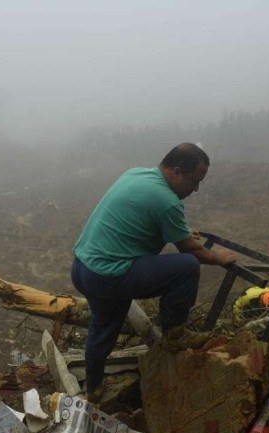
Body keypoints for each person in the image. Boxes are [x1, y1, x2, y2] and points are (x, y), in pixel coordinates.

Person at [70, 143, 237, 401]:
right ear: (177, 172)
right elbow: (191, 251)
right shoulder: (167, 201)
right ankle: (174, 333)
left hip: (83, 268)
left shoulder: (137, 174)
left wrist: (180, 230)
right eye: (194, 181)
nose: (195, 189)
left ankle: (93, 388)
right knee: (187, 268)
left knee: (103, 326)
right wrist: (219, 257)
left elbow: (148, 219)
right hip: (110, 274)